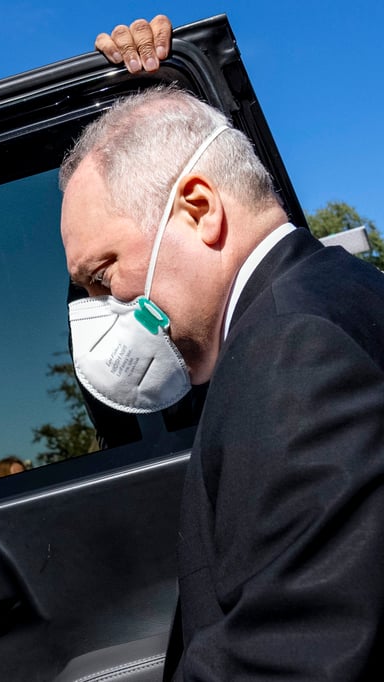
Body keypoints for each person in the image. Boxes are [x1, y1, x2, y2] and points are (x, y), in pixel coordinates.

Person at [61, 16, 384, 679]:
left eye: (103, 274)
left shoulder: (295, 353)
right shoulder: (308, 308)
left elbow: (299, 652)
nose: (106, 307)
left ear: (200, 208)